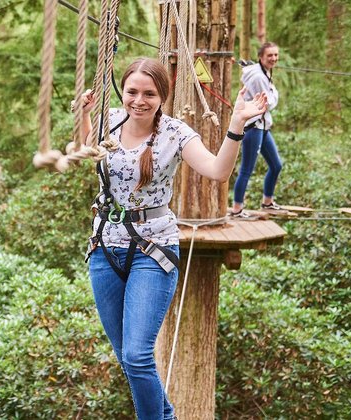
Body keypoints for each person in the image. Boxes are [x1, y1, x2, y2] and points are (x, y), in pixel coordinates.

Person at [74, 57, 267, 420]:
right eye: (132, 91)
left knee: (137, 355)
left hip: (152, 249)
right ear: (123, 91)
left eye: (149, 93)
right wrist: (86, 114)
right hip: (104, 247)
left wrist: (237, 125)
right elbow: (91, 146)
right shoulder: (110, 120)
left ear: (163, 95)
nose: (139, 101)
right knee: (127, 359)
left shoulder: (176, 134)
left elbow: (217, 171)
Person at [231, 42, 282, 217]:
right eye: (270, 55)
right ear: (261, 57)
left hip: (263, 126)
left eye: (276, 55)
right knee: (247, 169)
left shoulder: (262, 72)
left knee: (276, 165)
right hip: (254, 127)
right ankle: (237, 209)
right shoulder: (259, 77)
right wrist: (275, 94)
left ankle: (267, 202)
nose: (274, 58)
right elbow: (268, 103)